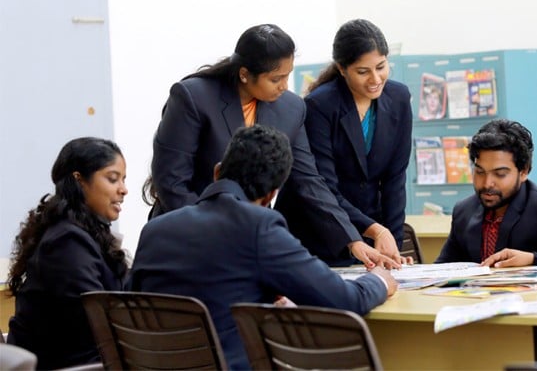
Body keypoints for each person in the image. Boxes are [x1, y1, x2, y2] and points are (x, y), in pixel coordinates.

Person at [129, 124, 398, 371]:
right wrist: (379, 281)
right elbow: (345, 300)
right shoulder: (259, 226)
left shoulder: (155, 230)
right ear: (272, 193)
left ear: (217, 172)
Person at [145, 23, 400, 268]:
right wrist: (216, 234)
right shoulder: (193, 97)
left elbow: (309, 180)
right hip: (187, 238)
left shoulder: (291, 108)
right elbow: (171, 182)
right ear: (244, 74)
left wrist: (352, 239)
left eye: (287, 75)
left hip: (247, 242)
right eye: (276, 78)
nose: (285, 86)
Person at [282, 19, 412, 265]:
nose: (375, 79)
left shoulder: (399, 97)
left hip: (371, 234)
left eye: (381, 67)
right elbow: (323, 186)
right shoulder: (320, 106)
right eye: (363, 72)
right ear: (342, 69)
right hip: (322, 235)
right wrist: (375, 230)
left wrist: (391, 245)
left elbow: (396, 178)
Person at [6, 137, 128, 369]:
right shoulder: (66, 242)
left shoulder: (83, 234)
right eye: (113, 179)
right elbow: (100, 322)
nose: (123, 189)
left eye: (123, 179)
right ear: (80, 181)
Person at [436, 118, 537, 266]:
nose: (487, 183)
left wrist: (532, 259)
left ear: (524, 171)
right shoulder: (464, 210)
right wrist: (414, 271)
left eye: (500, 174)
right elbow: (444, 267)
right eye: (480, 172)